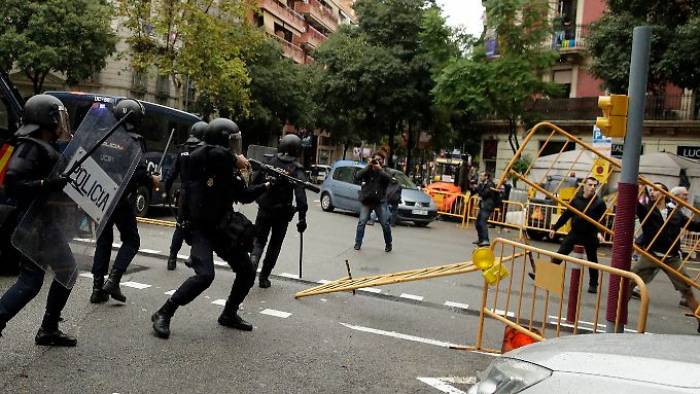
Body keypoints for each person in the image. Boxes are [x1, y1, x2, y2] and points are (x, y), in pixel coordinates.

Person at [151, 118, 270, 339]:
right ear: (222, 142)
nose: (236, 148)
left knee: (246, 270)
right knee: (205, 276)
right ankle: (164, 312)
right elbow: (216, 156)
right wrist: (237, 160)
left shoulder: (224, 165)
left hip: (221, 227)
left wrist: (266, 184)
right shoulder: (201, 158)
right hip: (199, 229)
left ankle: (229, 313)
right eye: (233, 143)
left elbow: (242, 195)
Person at [0, 94, 76, 346]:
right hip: (34, 224)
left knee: (66, 271)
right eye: (58, 119)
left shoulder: (42, 146)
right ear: (45, 120)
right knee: (31, 281)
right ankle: (47, 328)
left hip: (44, 222)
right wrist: (47, 184)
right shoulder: (30, 145)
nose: (60, 124)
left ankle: (49, 328)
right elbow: (13, 182)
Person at [90, 99, 155, 304]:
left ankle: (97, 288)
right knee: (132, 240)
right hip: (120, 198)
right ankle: (114, 280)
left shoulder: (101, 134)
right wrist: (151, 178)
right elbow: (139, 173)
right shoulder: (135, 140)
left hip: (99, 195)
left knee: (103, 240)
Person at [631, 182, 700, 333]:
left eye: (656, 190)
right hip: (651, 254)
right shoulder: (647, 210)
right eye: (651, 190)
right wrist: (637, 186)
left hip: (671, 257)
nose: (653, 192)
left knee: (687, 290)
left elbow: (693, 226)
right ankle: (617, 313)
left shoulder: (675, 212)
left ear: (664, 194)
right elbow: (634, 203)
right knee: (629, 283)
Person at [250, 134, 308, 289]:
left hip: (264, 209)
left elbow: (254, 182)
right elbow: (301, 197)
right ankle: (264, 278)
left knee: (258, 242)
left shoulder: (269, 161)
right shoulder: (296, 169)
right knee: (274, 245)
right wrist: (302, 219)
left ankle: (251, 267)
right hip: (282, 214)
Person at [548, 176, 607, 294]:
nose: (592, 187)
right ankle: (546, 275)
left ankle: (593, 285)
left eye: (595, 185)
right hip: (575, 232)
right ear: (584, 185)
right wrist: (555, 228)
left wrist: (600, 233)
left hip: (591, 234)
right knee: (561, 253)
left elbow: (602, 220)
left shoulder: (599, 203)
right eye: (590, 185)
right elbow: (566, 215)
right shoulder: (576, 200)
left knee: (592, 260)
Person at [164, 121, 208, 270]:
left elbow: (171, 174)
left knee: (180, 226)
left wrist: (167, 189)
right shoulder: (204, 151)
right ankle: (193, 257)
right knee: (198, 227)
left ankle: (172, 258)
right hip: (200, 196)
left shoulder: (183, 150)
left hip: (183, 195)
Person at [354, 152, 392, 252]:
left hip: (380, 201)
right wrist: (368, 166)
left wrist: (380, 170)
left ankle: (388, 243)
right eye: (376, 159)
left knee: (385, 224)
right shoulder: (369, 169)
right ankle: (358, 243)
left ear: (383, 161)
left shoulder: (385, 170)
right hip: (367, 200)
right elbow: (357, 176)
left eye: (380, 160)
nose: (377, 162)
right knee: (362, 222)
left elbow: (389, 179)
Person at [472, 171, 498, 246]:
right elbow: (476, 191)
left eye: (482, 176)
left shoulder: (490, 184)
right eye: (480, 176)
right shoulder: (483, 184)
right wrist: (473, 187)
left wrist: (478, 189)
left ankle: (486, 240)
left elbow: (485, 194)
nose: (480, 177)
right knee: (477, 223)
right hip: (483, 205)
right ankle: (480, 239)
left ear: (486, 177)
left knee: (482, 222)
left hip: (487, 206)